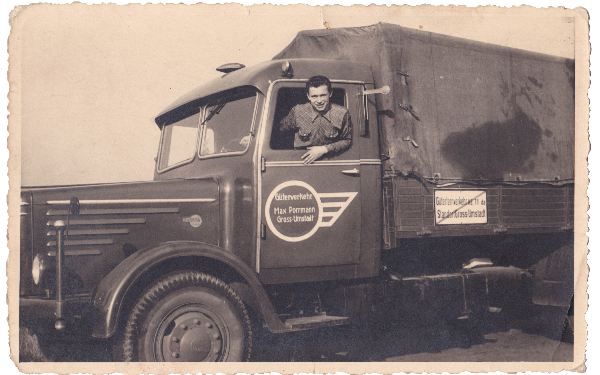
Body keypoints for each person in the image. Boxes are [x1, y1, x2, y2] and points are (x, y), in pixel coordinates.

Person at [279, 75, 352, 164]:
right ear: (308, 96)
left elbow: (347, 140)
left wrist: (324, 149)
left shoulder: (342, 113)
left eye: (323, 95)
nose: (319, 100)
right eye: (314, 96)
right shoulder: (297, 111)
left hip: (329, 162)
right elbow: (281, 131)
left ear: (330, 94)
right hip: (301, 161)